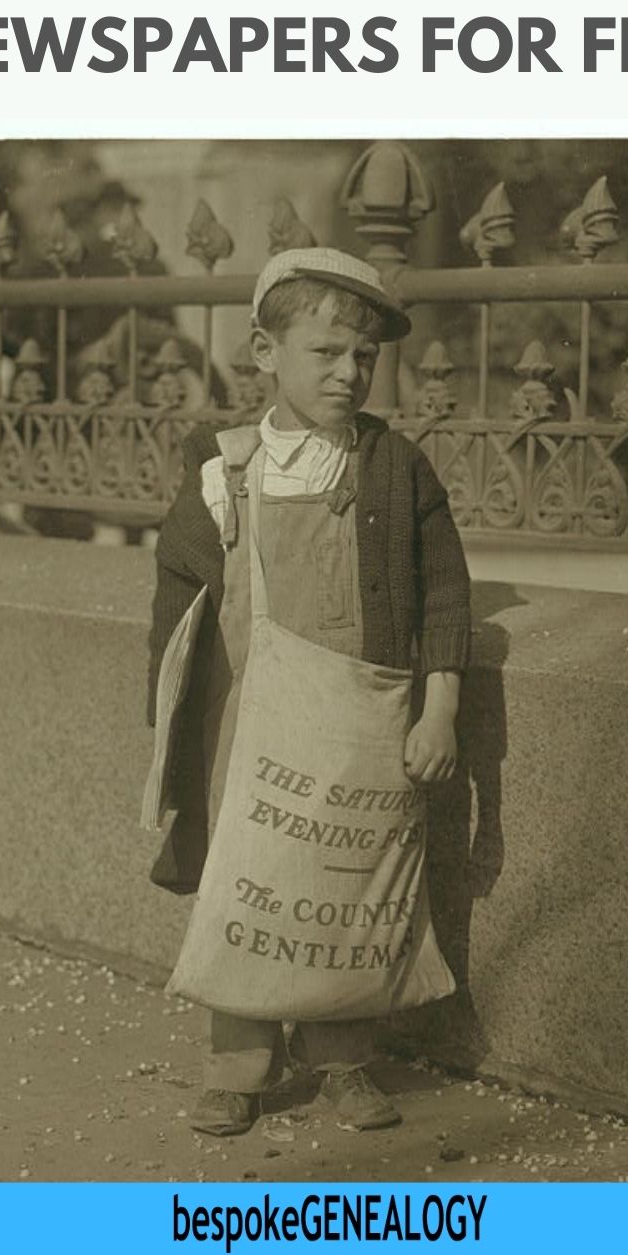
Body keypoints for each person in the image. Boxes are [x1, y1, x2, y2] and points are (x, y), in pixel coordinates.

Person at [146, 248, 471, 1137]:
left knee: (350, 877)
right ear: (264, 350)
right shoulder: (223, 470)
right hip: (250, 722)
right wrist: (172, 726)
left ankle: (345, 1060)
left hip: (362, 719)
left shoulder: (395, 469)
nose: (348, 372)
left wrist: (439, 707)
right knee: (247, 885)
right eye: (325, 352)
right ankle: (238, 1065)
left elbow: (446, 592)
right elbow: (179, 602)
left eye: (363, 357)